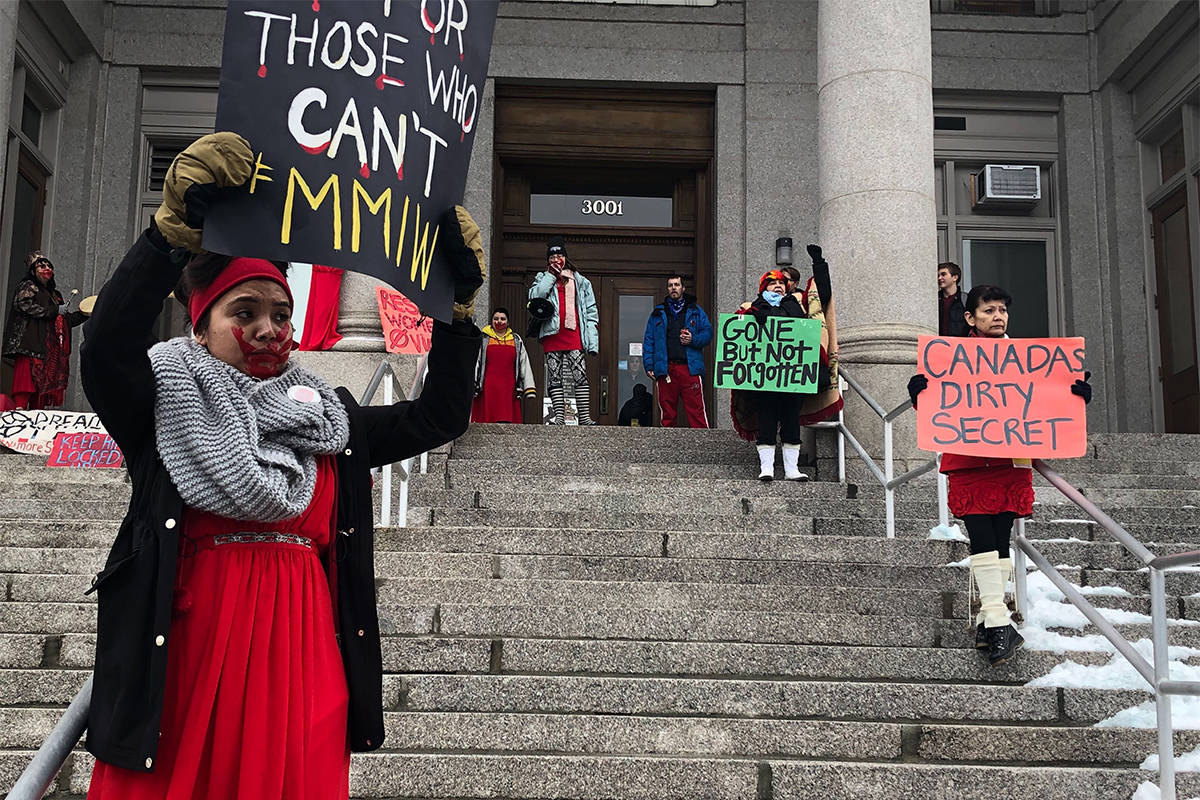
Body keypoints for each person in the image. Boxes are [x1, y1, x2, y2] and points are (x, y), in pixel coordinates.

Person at [80, 133, 484, 799]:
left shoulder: (332, 421)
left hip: (304, 668)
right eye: (246, 313)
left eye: (282, 313)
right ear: (201, 325)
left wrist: (457, 311)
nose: (271, 328)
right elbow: (106, 352)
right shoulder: (162, 405)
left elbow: (438, 418)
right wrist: (168, 236)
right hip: (186, 662)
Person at [908, 284, 1093, 667]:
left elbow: (1044, 402)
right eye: (989, 310)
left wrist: (1073, 397)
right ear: (970, 318)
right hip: (969, 462)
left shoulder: (1030, 361)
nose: (998, 316)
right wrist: (920, 394)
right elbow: (941, 407)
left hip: (1011, 461)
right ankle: (996, 620)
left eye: (1002, 310)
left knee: (999, 538)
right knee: (980, 536)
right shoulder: (951, 360)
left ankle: (990, 620)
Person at [731, 245, 842, 480]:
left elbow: (822, 297)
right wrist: (754, 318)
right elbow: (737, 335)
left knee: (792, 421)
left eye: (782, 283)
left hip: (793, 376)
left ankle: (792, 469)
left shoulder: (796, 306)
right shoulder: (751, 308)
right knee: (767, 420)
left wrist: (819, 265)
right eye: (773, 283)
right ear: (764, 288)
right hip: (766, 378)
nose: (778, 285)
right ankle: (767, 468)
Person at [2, 251, 87, 409]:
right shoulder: (28, 285)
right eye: (41, 266)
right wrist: (54, 310)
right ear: (33, 270)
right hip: (29, 345)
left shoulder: (55, 295)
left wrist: (86, 314)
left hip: (48, 349)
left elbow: (64, 321)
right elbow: (23, 304)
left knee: (40, 394)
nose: (46, 268)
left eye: (49, 266)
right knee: (25, 386)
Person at [528, 236, 598, 425]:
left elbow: (591, 312)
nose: (556, 260)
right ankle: (559, 417)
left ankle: (584, 417)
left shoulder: (581, 281)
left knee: (580, 375)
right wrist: (551, 275)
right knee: (555, 376)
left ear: (566, 258)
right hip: (552, 334)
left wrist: (592, 339)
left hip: (574, 333)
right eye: (552, 257)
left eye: (559, 256)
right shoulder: (541, 278)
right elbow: (536, 297)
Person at [642, 274, 712, 427]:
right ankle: (667, 449)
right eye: (670, 285)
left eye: (677, 285)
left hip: (690, 368)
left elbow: (708, 334)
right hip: (666, 369)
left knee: (697, 412)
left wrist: (692, 339)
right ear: (667, 289)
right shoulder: (658, 313)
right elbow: (649, 340)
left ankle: (704, 448)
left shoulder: (695, 310)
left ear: (683, 288)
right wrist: (649, 365)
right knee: (667, 414)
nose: (673, 288)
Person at [472, 306, 536, 423]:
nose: (499, 321)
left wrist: (529, 387)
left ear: (508, 322)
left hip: (509, 387)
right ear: (491, 321)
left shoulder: (516, 340)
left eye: (502, 319)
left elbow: (524, 362)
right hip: (488, 386)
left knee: (507, 419)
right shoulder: (484, 339)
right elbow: (476, 361)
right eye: (496, 318)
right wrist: (473, 382)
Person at [937, 261, 968, 337]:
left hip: (960, 346)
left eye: (943, 274)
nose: (939, 278)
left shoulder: (965, 299)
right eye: (938, 275)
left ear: (955, 277)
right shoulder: (935, 299)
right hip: (938, 344)